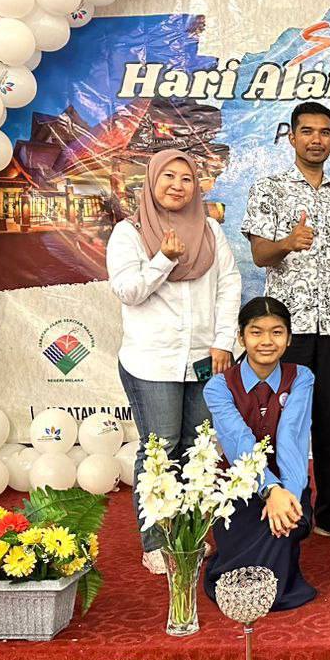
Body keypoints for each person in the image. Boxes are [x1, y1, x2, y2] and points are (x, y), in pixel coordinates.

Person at [108, 149, 240, 575]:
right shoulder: (128, 233)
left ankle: (191, 534)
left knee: (198, 449)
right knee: (160, 450)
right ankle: (156, 540)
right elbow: (128, 290)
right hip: (153, 363)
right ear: (151, 181)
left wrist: (223, 342)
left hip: (205, 358)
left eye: (187, 178)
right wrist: (164, 259)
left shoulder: (211, 231)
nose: (178, 185)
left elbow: (228, 285)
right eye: (169, 176)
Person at [243, 102, 330, 543]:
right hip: (285, 329)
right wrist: (288, 242)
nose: (317, 139)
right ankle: (288, 506)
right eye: (307, 131)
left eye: (325, 132)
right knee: (282, 422)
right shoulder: (269, 189)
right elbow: (259, 255)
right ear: (291, 137)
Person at [202, 297, 316, 611]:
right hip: (237, 486)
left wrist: (287, 496)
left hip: (286, 483)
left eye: (277, 332)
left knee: (283, 523)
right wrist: (269, 490)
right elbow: (238, 441)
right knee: (250, 544)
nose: (267, 341)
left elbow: (291, 437)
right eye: (256, 332)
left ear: (289, 338)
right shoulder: (218, 386)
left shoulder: (301, 376)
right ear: (241, 337)